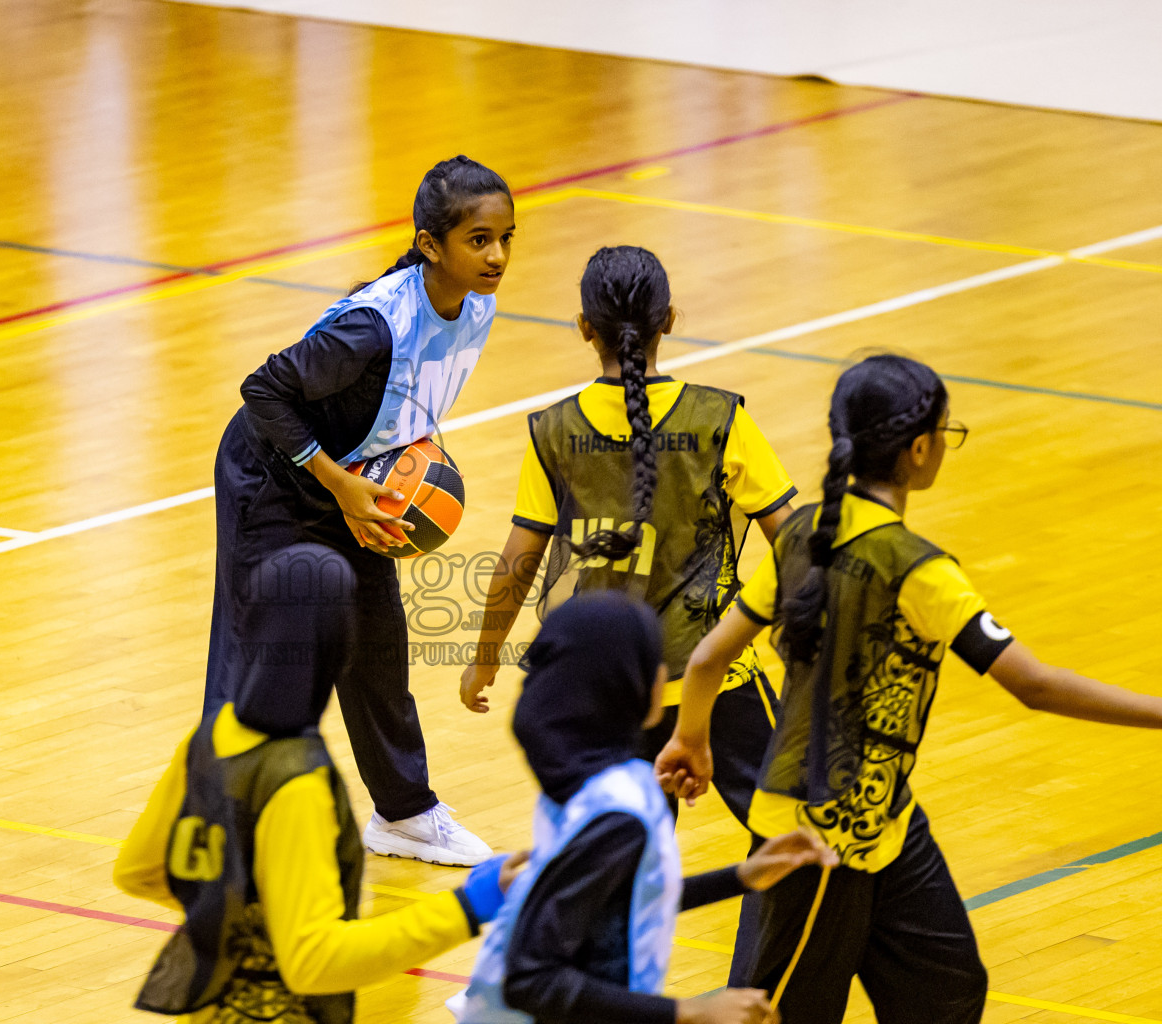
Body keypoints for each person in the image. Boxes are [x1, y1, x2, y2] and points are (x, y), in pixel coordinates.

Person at [655, 354, 1162, 1024]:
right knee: (773, 1014)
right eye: (948, 434)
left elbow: (707, 659)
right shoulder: (919, 571)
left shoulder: (803, 533)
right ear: (920, 449)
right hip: (812, 842)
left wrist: (691, 737)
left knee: (946, 987)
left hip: (888, 823)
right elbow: (1034, 686)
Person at [208, 155, 515, 866]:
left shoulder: (476, 305)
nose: (496, 255)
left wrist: (390, 471)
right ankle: (220, 812)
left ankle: (404, 814)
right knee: (263, 645)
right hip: (274, 474)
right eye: (478, 240)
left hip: (355, 478)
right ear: (430, 244)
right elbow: (263, 392)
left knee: (377, 642)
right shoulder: (370, 329)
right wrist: (337, 483)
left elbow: (414, 398)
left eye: (504, 238)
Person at [462, 245, 796, 827]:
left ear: (585, 329)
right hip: (714, 677)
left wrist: (484, 659)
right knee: (785, 832)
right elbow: (796, 542)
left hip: (606, 690)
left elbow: (519, 559)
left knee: (622, 853)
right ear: (668, 320)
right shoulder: (720, 419)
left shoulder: (555, 430)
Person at [119, 543, 524, 1023]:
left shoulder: (209, 737)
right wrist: (465, 907)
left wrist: (239, 915)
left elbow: (137, 869)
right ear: (341, 649)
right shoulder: (297, 780)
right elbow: (314, 962)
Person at [449, 590, 836, 1024]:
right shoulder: (618, 814)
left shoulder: (590, 784)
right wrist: (689, 1010)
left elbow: (619, 905)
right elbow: (531, 978)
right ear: (627, 685)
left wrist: (741, 877)